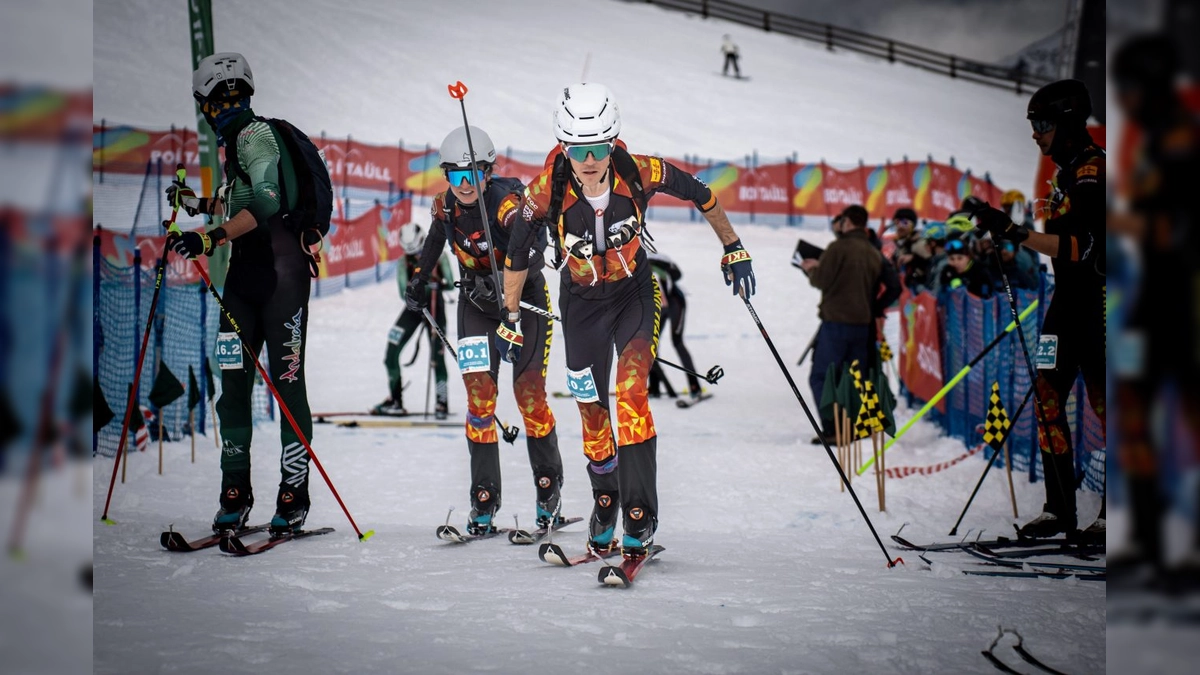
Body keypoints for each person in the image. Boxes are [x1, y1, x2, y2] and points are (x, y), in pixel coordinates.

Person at [501, 83, 756, 557]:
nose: (589, 159)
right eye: (577, 149)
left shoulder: (640, 170)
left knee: (632, 392)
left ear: (612, 142)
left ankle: (639, 514)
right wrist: (510, 317)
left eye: (598, 148)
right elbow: (516, 253)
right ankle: (606, 501)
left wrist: (733, 246)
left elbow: (700, 193)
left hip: (634, 295)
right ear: (563, 147)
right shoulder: (544, 189)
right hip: (580, 306)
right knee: (590, 407)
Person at [165, 52, 319, 535]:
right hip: (244, 280)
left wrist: (210, 238)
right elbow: (243, 200)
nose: (215, 112)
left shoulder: (255, 137)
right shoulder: (237, 144)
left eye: (212, 104)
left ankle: (293, 493)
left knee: (286, 385)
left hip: (282, 279)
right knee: (232, 385)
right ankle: (235, 491)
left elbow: (269, 200)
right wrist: (196, 205)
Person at [407, 125, 564, 535]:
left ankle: (548, 491)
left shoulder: (506, 205)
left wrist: (510, 273)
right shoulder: (445, 206)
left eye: (473, 174)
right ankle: (484, 499)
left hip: (523, 304)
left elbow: (535, 244)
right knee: (480, 400)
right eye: (456, 175)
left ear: (488, 172)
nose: (464, 185)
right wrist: (420, 279)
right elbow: (435, 239)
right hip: (476, 306)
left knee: (529, 395)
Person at [969, 78, 1105, 541]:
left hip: (1102, 303)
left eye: (1043, 124)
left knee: (1105, 405)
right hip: (1066, 303)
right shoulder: (1065, 174)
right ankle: (1059, 510)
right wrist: (1006, 228)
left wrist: (1017, 233)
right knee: (1047, 396)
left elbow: (1082, 247)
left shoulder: (1093, 172)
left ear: (1067, 123)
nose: (1035, 133)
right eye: (1033, 124)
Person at [1109, 33, 1200, 578]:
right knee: (1133, 407)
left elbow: (1174, 229)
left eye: (1127, 86)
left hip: (1185, 300)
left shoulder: (1182, 139)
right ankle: (1147, 538)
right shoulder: (1151, 140)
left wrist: (1114, 221)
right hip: (1151, 298)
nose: (1122, 98)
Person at [799, 205, 880, 443]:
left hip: (836, 322)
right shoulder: (872, 251)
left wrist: (812, 269)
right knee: (855, 377)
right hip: (862, 324)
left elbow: (821, 280)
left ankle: (834, 429)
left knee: (822, 377)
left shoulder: (838, 247)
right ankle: (856, 425)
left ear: (847, 222)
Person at [373, 222, 453, 418]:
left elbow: (450, 283)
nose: (416, 256)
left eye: (418, 251)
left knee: (437, 357)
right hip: (413, 309)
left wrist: (437, 285)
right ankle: (395, 400)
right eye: (411, 253)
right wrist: (422, 287)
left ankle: (441, 402)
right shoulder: (403, 262)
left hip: (435, 307)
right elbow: (403, 291)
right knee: (391, 351)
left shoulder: (440, 256)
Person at [647, 252, 703, 399]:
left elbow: (663, 293)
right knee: (651, 345)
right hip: (660, 304)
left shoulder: (648, 266)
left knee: (677, 341)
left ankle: (694, 385)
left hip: (674, 302)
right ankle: (654, 386)